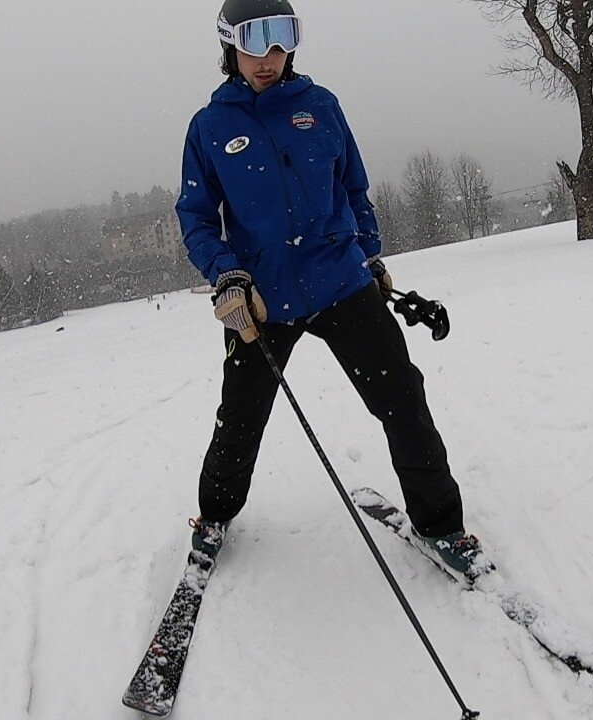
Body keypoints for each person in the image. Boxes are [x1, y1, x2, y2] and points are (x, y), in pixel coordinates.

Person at [175, 0, 485, 575]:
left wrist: (369, 256)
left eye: (280, 41)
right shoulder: (210, 127)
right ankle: (214, 515)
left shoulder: (320, 107)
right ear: (228, 45)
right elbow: (196, 216)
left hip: (339, 281)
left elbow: (355, 189)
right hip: (262, 302)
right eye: (253, 43)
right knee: (240, 417)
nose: (268, 58)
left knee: (403, 401)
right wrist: (226, 273)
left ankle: (442, 526)